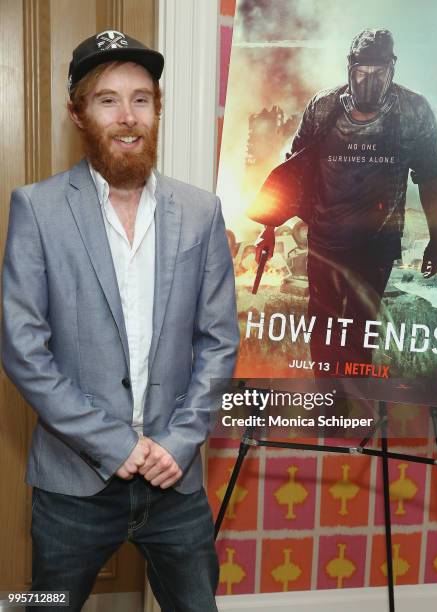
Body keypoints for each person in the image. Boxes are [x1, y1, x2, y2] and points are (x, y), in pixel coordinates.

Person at [2, 30, 239, 612]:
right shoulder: (36, 208)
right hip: (72, 484)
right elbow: (22, 349)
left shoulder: (201, 212)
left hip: (174, 479)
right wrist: (113, 443)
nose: (127, 115)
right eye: (107, 99)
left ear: (158, 108)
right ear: (78, 112)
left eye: (141, 98)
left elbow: (218, 341)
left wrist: (179, 441)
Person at [252, 28, 437, 373]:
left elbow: (430, 176)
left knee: (359, 335)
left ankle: (351, 416)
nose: (368, 82)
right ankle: (330, 408)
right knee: (322, 331)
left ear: (392, 68)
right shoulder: (324, 106)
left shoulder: (413, 112)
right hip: (324, 239)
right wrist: (268, 228)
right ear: (349, 68)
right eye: (361, 73)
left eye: (378, 74)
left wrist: (436, 238)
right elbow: (292, 170)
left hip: (377, 245)